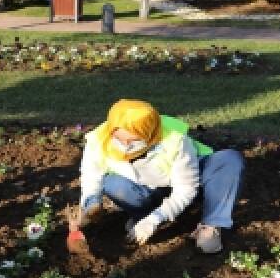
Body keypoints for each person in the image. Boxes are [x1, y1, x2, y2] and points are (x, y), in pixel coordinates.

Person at [73, 99, 244, 255]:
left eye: (132, 141)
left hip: (196, 184)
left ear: (149, 134)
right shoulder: (98, 139)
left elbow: (185, 189)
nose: (125, 147)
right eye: (119, 139)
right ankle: (141, 215)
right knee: (113, 184)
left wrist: (154, 220)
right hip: (148, 188)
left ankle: (210, 225)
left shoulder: (175, 140)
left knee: (229, 160)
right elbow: (91, 176)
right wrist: (90, 205)